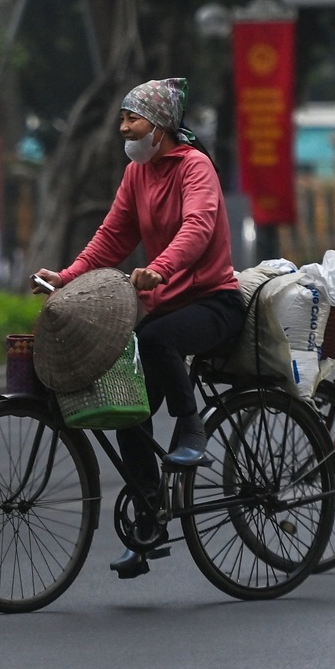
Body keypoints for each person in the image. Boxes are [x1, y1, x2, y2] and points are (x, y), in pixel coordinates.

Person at [34, 77, 244, 579]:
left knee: (153, 339)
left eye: (133, 118)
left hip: (215, 302)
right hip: (169, 304)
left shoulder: (195, 168)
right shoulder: (137, 173)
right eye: (123, 119)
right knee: (124, 403)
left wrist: (162, 268)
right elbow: (112, 237)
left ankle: (191, 429)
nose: (124, 128)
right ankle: (150, 521)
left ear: (162, 125)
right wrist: (64, 278)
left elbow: (199, 226)